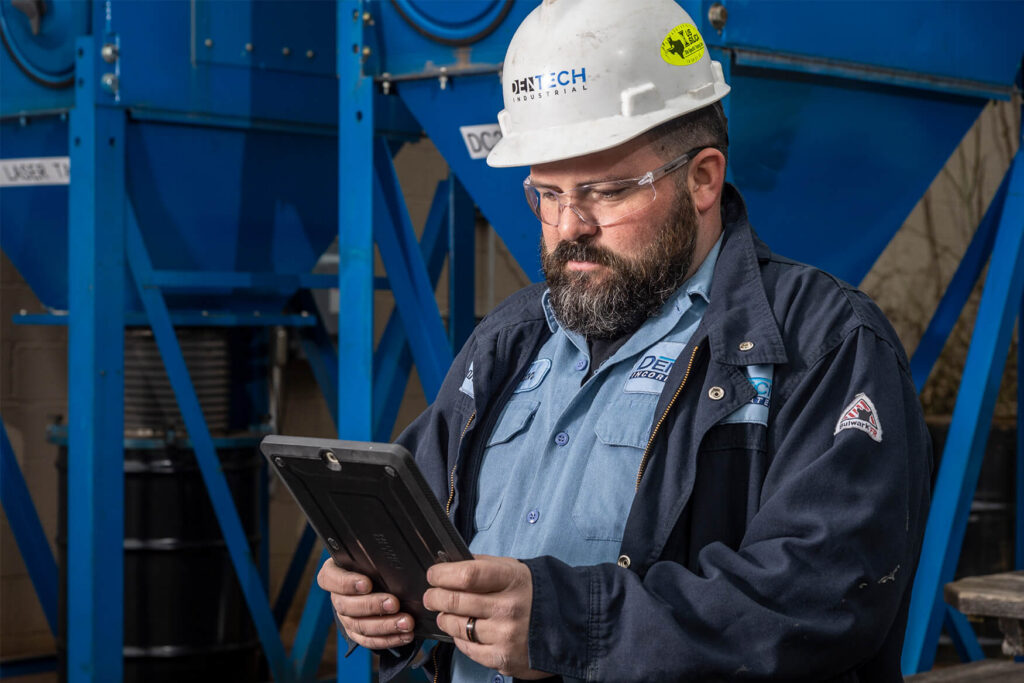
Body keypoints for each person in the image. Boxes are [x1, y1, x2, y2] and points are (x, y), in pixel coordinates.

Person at [319, 0, 932, 680]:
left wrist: (571, 623)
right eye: (547, 194)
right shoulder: (508, 340)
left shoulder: (823, 343)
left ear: (703, 178)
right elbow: (418, 521)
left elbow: (821, 598)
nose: (568, 225)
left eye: (605, 192)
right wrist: (378, 592)